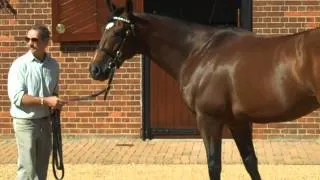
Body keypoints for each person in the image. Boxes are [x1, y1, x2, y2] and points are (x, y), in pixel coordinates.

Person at [7, 24, 67, 180]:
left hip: (45, 122)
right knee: (27, 170)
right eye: (28, 39)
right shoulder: (19, 65)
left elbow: (53, 92)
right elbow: (17, 98)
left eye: (35, 39)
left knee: (41, 170)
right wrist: (46, 100)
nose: (30, 43)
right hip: (25, 123)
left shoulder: (53, 65)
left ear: (46, 42)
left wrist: (55, 103)